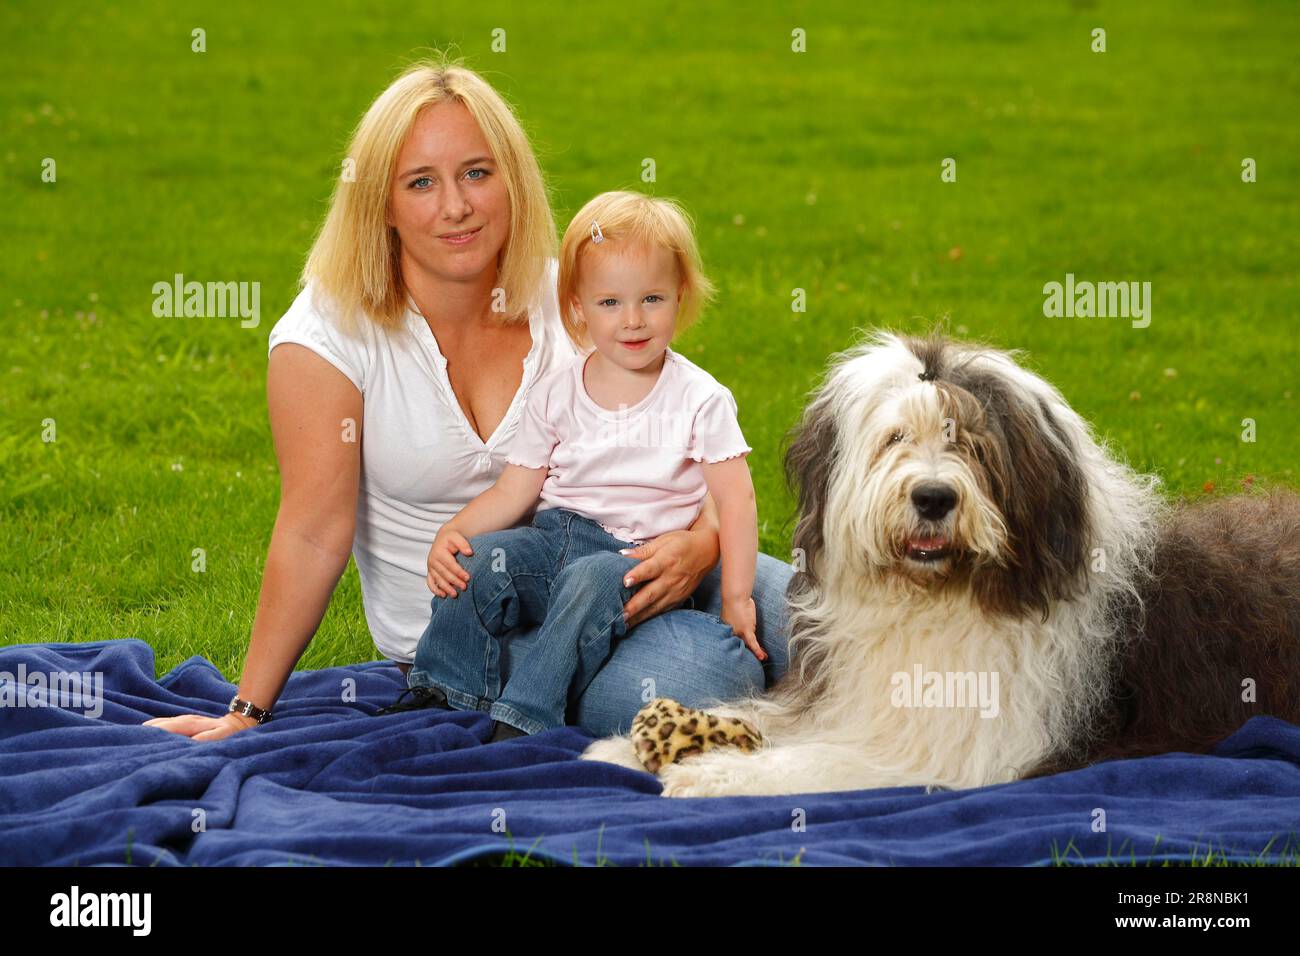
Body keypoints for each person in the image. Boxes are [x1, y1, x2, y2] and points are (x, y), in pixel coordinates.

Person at [142, 56, 795, 743]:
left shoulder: (571, 302)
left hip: (636, 562)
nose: (456, 206)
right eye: (421, 183)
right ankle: (710, 677)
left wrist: (700, 544)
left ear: (512, 179)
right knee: (699, 678)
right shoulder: (327, 336)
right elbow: (311, 532)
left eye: (477, 174)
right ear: (382, 204)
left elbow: (698, 448)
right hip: (484, 624)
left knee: (811, 613)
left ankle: (873, 722)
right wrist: (246, 711)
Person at [393, 191, 762, 741]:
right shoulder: (557, 391)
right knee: (482, 561)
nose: (633, 320)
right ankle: (447, 691)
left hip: (633, 561)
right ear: (577, 308)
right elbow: (517, 488)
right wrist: (456, 532)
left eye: (652, 299)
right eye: (610, 302)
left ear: (680, 297)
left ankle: (525, 717)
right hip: (554, 541)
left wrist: (735, 596)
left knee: (591, 580)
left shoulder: (699, 398)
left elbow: (737, 501)